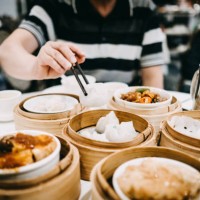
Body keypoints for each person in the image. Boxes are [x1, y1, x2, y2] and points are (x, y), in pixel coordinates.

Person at [0, 0, 165, 89]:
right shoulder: (55, 6)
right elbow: (7, 51)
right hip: (65, 113)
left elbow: (153, 79)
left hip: (125, 114)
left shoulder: (145, 10)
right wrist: (36, 67)